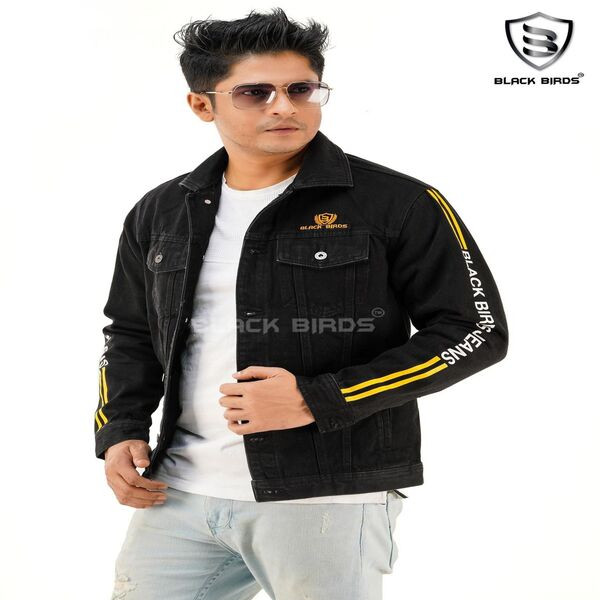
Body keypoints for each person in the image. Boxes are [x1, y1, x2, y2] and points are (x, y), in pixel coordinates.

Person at [96, 8, 509, 600]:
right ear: (202, 105)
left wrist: (321, 399)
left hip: (325, 497)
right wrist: (119, 428)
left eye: (301, 89)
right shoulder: (161, 211)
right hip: (177, 493)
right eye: (255, 92)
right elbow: (130, 332)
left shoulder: (398, 203)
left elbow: (475, 332)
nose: (284, 107)